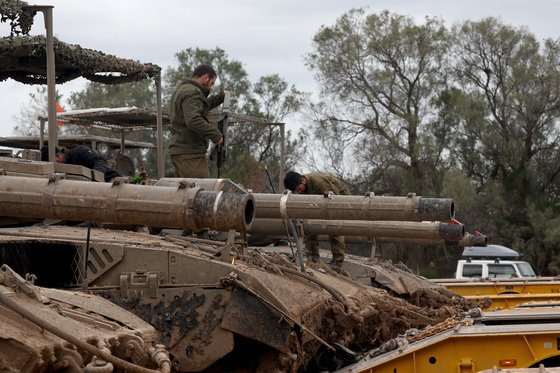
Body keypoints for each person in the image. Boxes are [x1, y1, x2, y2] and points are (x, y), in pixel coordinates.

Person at [283, 171, 350, 268]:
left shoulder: (319, 182)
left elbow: (336, 198)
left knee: (334, 227)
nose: (299, 192)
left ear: (303, 181)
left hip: (339, 199)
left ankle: (337, 261)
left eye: (299, 189)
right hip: (318, 202)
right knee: (309, 226)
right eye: (297, 191)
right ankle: (314, 257)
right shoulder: (301, 188)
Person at [169, 64, 225, 178]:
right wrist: (216, 135)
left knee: (188, 192)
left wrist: (221, 97)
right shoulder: (192, 92)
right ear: (205, 77)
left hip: (183, 151)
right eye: (212, 83)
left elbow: (201, 107)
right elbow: (193, 119)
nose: (211, 87)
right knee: (202, 192)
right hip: (190, 153)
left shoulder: (183, 89)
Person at [41, 145, 121, 182]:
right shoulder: (58, 171)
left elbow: (99, 161)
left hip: (109, 180)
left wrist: (93, 177)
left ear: (58, 156)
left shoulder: (80, 152)